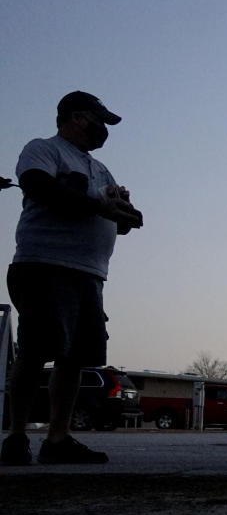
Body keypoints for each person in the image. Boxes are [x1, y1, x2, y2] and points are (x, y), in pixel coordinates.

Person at [0, 91, 143, 466]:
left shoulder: (101, 170)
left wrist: (126, 212)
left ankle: (58, 439)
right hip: (45, 265)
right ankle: (16, 436)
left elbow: (120, 219)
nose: (103, 130)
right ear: (76, 118)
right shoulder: (44, 150)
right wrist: (100, 205)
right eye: (99, 121)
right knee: (35, 351)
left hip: (89, 274)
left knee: (74, 358)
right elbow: (38, 187)